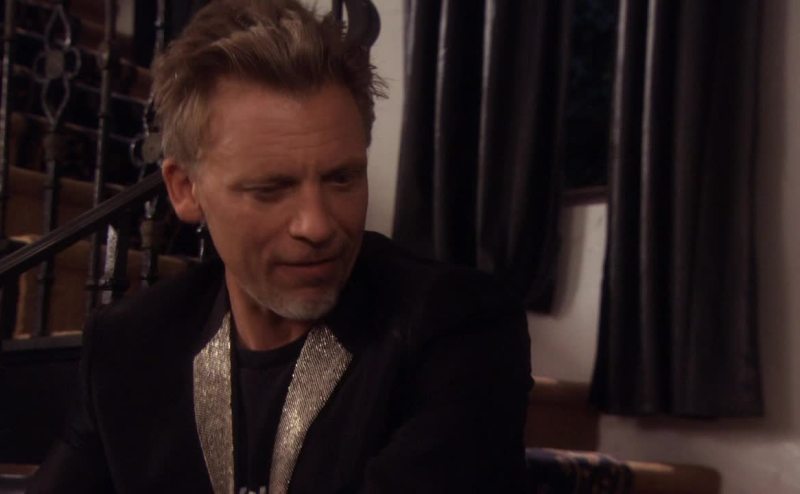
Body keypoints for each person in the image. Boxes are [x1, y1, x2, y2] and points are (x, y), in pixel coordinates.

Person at [28, 0, 532, 492]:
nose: (317, 225)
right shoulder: (130, 344)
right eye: (270, 189)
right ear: (185, 189)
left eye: (341, 179)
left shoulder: (458, 328)